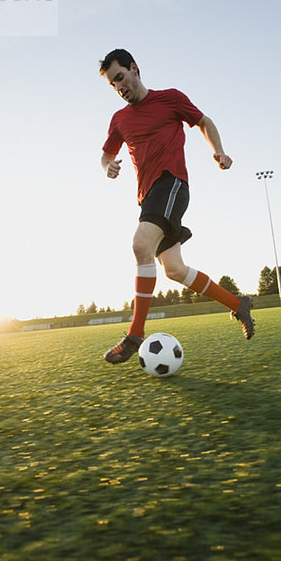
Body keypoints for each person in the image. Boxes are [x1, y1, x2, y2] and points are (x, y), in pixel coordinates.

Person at [99, 49, 255, 363]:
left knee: (140, 244)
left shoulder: (170, 99)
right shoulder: (119, 120)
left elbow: (204, 122)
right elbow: (106, 154)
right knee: (174, 269)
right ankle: (238, 304)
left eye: (120, 78)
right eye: (113, 86)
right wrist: (108, 166)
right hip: (148, 196)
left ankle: (135, 333)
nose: (119, 88)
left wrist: (219, 151)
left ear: (134, 68)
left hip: (171, 183)